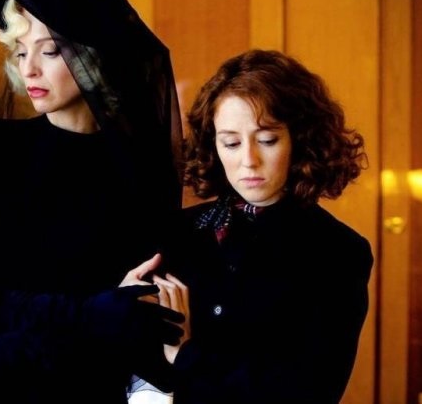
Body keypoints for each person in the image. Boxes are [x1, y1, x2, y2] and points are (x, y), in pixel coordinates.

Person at [0, 0, 186, 404]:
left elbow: (142, 312)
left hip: (93, 388)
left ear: (93, 57)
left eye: (49, 51)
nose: (29, 68)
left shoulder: (138, 168)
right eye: (21, 51)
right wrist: (89, 314)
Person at [137, 49, 373, 403]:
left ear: (300, 140)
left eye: (267, 140)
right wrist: (124, 306)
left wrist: (186, 355)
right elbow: (134, 357)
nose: (248, 160)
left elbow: (307, 392)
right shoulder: (178, 231)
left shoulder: (339, 252)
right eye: (231, 143)